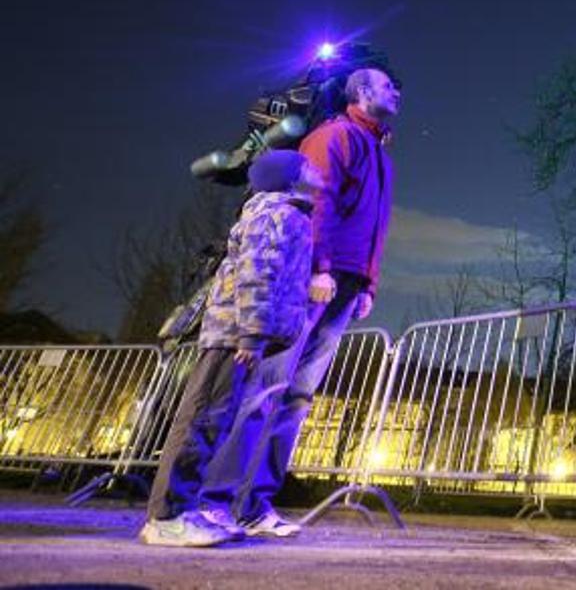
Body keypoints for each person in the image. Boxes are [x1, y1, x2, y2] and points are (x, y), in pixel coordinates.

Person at [199, 66, 400, 536]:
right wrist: (318, 267)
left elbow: (375, 225)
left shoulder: (381, 155)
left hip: (348, 282)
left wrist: (368, 283)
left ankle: (255, 505)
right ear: (361, 92)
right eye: (388, 86)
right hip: (316, 277)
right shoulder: (335, 136)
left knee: (299, 396)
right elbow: (316, 201)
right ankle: (216, 500)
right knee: (268, 387)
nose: (397, 93)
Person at [140, 149, 319, 547]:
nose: (316, 169)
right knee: (202, 419)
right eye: (307, 166)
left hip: (239, 334)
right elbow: (256, 274)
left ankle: (182, 509)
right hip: (234, 335)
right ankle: (167, 516)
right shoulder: (275, 215)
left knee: (214, 421)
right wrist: (252, 335)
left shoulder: (287, 214)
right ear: (290, 178)